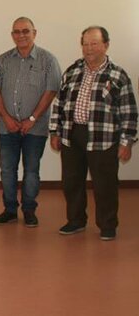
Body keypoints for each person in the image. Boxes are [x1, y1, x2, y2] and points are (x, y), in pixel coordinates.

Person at [49, 26, 137, 241]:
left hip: (103, 138)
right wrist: (55, 131)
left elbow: (129, 111)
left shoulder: (118, 75)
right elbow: (59, 103)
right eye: (85, 44)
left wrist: (126, 142)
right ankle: (76, 221)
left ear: (106, 45)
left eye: (94, 44)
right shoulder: (72, 71)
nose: (89, 48)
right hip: (72, 135)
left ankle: (108, 225)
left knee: (105, 184)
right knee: (71, 182)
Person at [0, 17, 61, 228]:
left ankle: (29, 210)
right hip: (6, 127)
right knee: (7, 170)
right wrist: (6, 118)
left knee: (31, 171)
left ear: (34, 33)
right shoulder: (3, 60)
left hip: (35, 128)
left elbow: (51, 91)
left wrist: (32, 119)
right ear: (12, 35)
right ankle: (10, 210)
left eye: (25, 31)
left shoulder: (48, 60)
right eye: (17, 31)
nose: (21, 35)